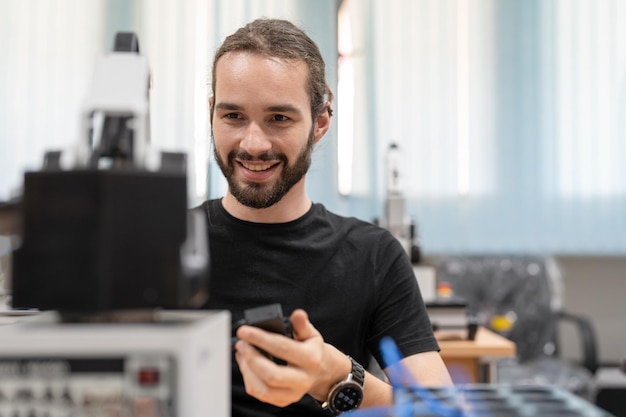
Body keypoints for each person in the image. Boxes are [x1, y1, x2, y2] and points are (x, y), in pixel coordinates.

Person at [200, 18, 452, 417]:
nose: (253, 143)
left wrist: (336, 377)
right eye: (233, 116)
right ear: (212, 113)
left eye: (279, 119)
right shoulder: (167, 243)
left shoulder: (372, 256)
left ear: (320, 122)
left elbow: (439, 412)